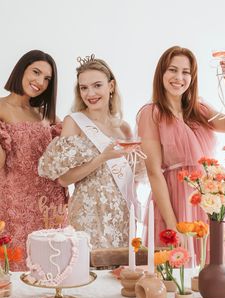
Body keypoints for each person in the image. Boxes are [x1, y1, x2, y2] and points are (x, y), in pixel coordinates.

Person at [137, 45, 225, 265]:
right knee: (179, 271)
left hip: (207, 199)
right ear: (161, 73)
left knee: (213, 270)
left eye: (185, 72)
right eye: (172, 70)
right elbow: (154, 171)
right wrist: (173, 225)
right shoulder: (151, 113)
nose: (179, 77)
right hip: (174, 198)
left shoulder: (199, 109)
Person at [39, 55, 137, 250]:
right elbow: (64, 179)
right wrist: (102, 158)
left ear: (111, 86)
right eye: (84, 88)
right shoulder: (74, 122)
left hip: (121, 213)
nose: (90, 93)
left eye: (97, 85)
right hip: (89, 212)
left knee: (119, 273)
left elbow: (131, 177)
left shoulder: (124, 128)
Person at [0, 50, 68, 271]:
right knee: (15, 269)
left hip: (49, 204)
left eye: (47, 79)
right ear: (22, 69)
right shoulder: (1, 108)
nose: (40, 82)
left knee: (52, 269)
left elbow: (67, 153)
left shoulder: (45, 114)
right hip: (14, 205)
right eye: (36, 72)